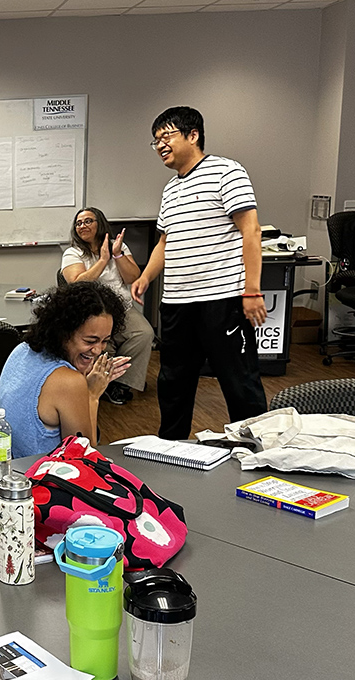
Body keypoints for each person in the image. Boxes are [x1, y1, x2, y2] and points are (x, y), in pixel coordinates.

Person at [130, 107, 267, 440]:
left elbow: (251, 230)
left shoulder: (226, 172)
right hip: (177, 301)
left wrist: (252, 291)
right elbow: (166, 240)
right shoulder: (170, 190)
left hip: (222, 299)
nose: (160, 144)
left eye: (167, 136)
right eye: (156, 140)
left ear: (193, 135)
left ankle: (260, 453)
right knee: (173, 381)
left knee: (239, 381)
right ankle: (171, 446)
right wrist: (146, 276)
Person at [0, 281, 130, 459]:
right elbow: (85, 458)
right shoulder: (69, 382)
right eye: (90, 341)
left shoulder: (23, 350)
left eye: (105, 341)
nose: (98, 350)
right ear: (63, 333)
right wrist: (92, 395)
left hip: (9, 470)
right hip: (40, 479)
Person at [61, 207, 154, 405]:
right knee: (102, 345)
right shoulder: (73, 252)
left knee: (144, 333)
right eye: (78, 223)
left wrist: (117, 255)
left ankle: (120, 384)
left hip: (121, 307)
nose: (82, 226)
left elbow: (132, 277)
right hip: (91, 311)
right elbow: (78, 283)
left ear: (100, 223)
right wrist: (103, 260)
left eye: (88, 221)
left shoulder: (118, 247)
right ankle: (98, 382)